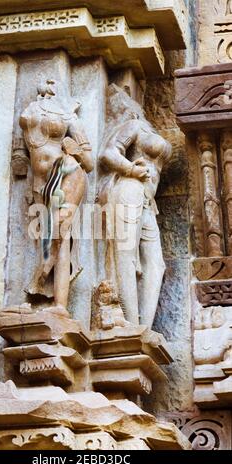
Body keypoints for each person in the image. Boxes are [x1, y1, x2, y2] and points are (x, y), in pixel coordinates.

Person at [98, 87, 172, 328]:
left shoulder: (146, 127)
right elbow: (108, 153)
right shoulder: (133, 126)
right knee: (125, 253)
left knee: (156, 263)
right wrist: (131, 169)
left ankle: (144, 327)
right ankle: (129, 323)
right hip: (130, 188)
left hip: (148, 200)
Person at [20, 79, 93, 316]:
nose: (50, 83)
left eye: (55, 82)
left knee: (60, 235)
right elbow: (20, 152)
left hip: (68, 173)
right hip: (41, 184)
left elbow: (90, 163)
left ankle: (57, 302)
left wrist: (76, 150)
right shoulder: (29, 111)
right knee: (50, 237)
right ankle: (41, 289)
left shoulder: (70, 116)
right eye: (47, 82)